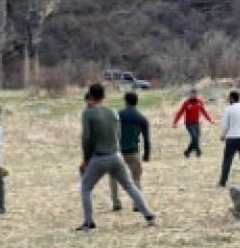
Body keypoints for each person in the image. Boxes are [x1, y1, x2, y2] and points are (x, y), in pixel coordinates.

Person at [78, 84, 155, 232]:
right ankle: (149, 215)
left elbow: (86, 139)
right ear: (104, 96)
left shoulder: (88, 114)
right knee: (130, 186)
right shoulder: (113, 112)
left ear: (91, 97)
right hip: (116, 155)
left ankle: (89, 223)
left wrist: (86, 159)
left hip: (99, 157)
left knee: (86, 187)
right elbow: (118, 134)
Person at [109, 91, 151, 212]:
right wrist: (147, 154)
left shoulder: (118, 115)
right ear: (136, 102)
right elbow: (146, 139)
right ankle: (136, 204)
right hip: (133, 152)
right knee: (136, 178)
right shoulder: (142, 118)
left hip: (117, 151)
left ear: (125, 101)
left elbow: (111, 133)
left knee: (113, 177)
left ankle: (116, 202)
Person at [218, 90, 240, 188]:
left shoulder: (229, 109)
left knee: (227, 161)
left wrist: (223, 135)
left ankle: (222, 182)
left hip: (232, 138)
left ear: (232, 98)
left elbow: (225, 125)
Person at [172, 88, 213, 158]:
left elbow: (204, 112)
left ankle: (187, 152)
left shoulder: (200, 102)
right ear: (190, 95)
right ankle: (198, 151)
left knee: (196, 138)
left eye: (194, 94)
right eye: (191, 94)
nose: (192, 95)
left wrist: (210, 120)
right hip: (189, 123)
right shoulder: (186, 103)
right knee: (194, 136)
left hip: (197, 123)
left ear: (197, 95)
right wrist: (175, 122)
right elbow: (180, 112)